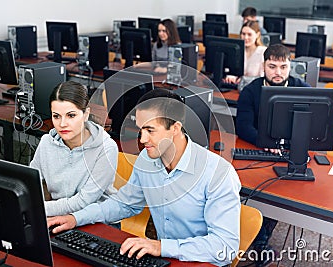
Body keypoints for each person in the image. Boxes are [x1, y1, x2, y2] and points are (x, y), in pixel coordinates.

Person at [47, 88, 242, 266]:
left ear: (175, 128)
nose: (142, 140)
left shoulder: (218, 174)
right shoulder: (147, 160)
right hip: (164, 260)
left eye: (150, 130)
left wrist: (161, 247)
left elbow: (225, 247)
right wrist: (75, 218)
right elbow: (124, 204)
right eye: (141, 130)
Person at [236, 44, 310, 267]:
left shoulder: (303, 89)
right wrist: (266, 142)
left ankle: (260, 241)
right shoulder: (250, 91)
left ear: (290, 67)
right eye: (272, 66)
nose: (278, 72)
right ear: (263, 66)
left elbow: (312, 126)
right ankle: (258, 241)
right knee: (255, 188)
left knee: (278, 190)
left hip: (290, 154)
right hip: (260, 153)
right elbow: (243, 126)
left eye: (283, 66)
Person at [30, 81, 118, 217]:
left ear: (86, 114)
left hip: (96, 220)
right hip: (58, 214)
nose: (62, 124)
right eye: (56, 116)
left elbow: (84, 201)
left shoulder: (106, 148)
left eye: (71, 115)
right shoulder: (46, 142)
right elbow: (32, 182)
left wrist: (39, 208)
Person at [224, 20, 267, 86]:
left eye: (249, 34)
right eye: (243, 34)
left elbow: (262, 78)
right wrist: (231, 76)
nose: (245, 37)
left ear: (257, 35)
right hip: (236, 87)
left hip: (254, 89)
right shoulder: (236, 50)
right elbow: (231, 71)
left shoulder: (263, 52)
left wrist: (242, 79)